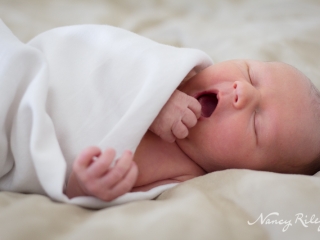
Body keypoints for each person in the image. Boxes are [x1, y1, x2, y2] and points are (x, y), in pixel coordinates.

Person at [65, 59, 320, 202]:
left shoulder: (179, 179)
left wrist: (86, 188)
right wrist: (156, 95)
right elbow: (108, 56)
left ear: (243, 172)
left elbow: (111, 201)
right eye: (251, 74)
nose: (243, 90)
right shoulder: (182, 70)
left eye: (256, 124)